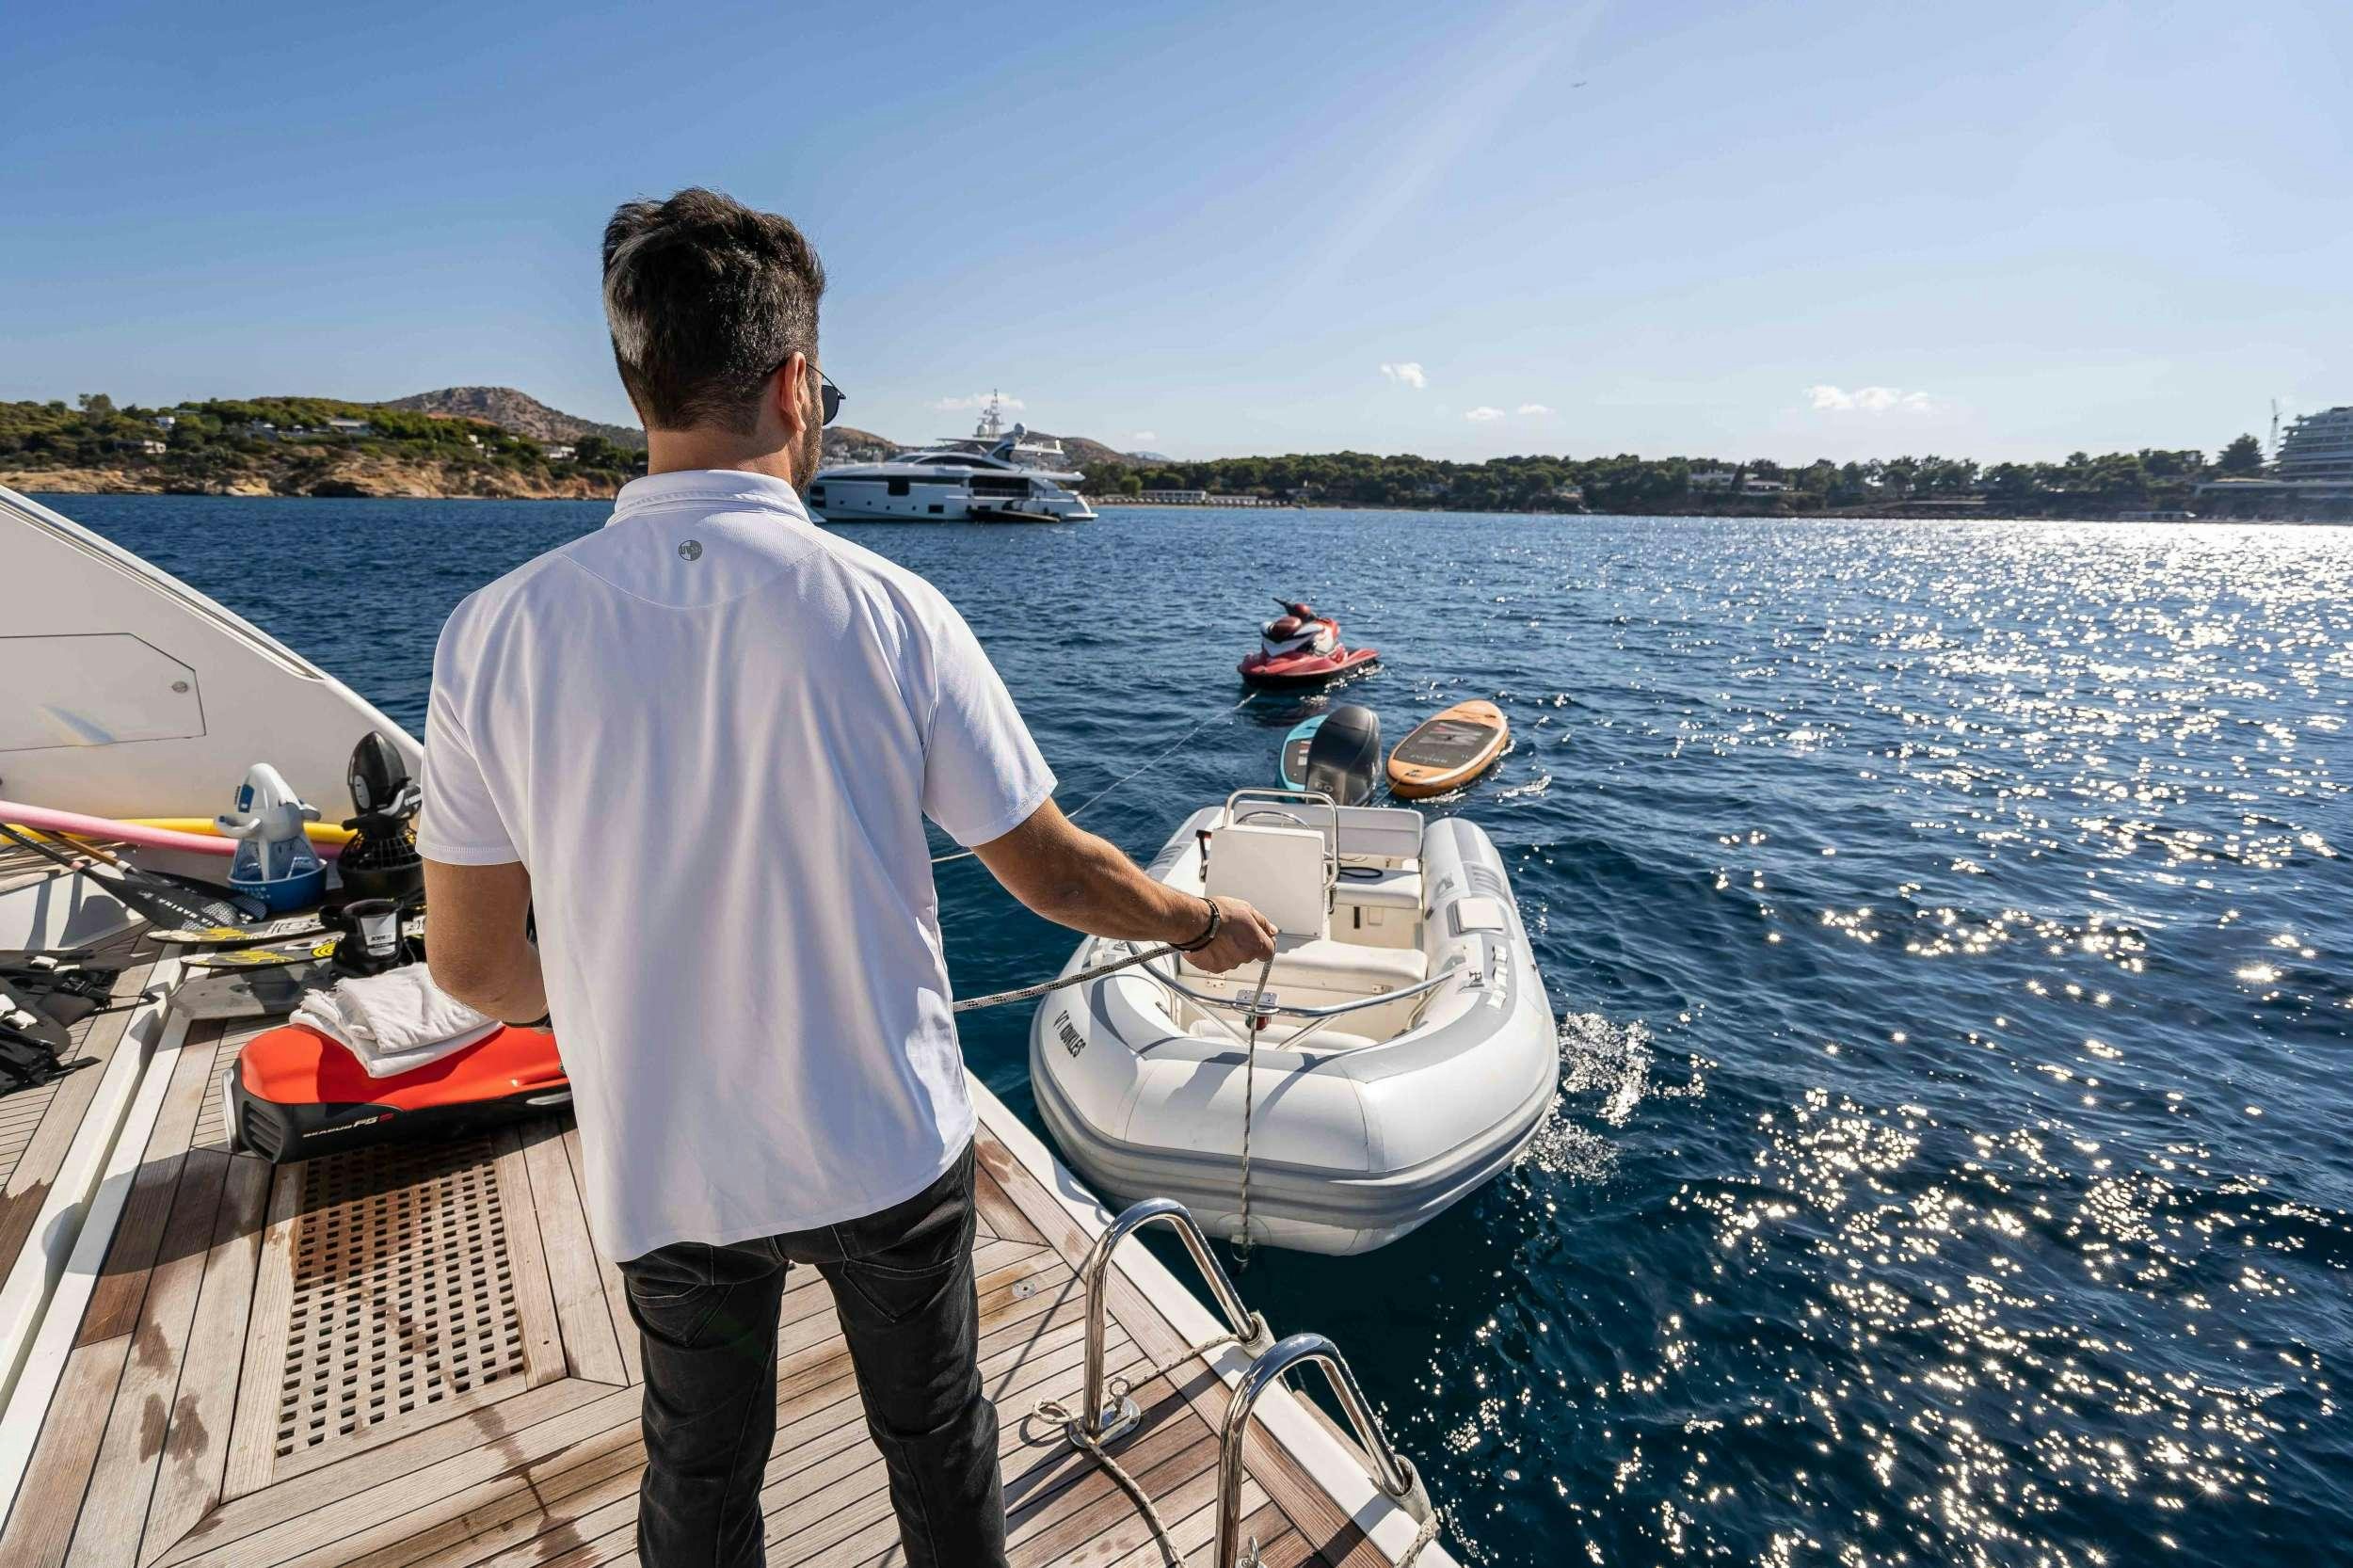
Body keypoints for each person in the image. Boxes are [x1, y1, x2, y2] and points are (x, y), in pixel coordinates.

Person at [416, 188, 1278, 1568]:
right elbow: (1053, 873)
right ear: (797, 387)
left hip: (666, 1161)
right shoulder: (891, 613)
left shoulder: (497, 635)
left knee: (697, 1476)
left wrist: (604, 995)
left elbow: (467, 967)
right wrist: (1197, 919)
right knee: (936, 1442)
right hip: (886, 1146)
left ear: (641, 380)